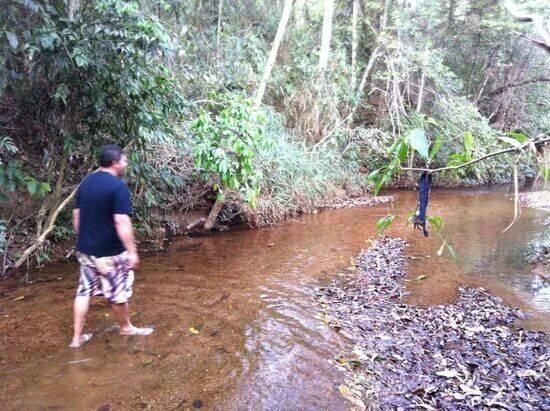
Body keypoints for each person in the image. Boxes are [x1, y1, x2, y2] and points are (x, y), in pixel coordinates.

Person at [70, 144, 153, 348]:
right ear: (115, 163)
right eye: (124, 160)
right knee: (118, 293)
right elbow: (121, 222)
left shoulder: (86, 182)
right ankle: (126, 328)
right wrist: (132, 252)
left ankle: (77, 338)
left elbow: (76, 216)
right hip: (110, 252)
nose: (127, 163)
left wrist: (86, 239)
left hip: (86, 249)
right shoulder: (118, 187)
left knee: (84, 292)